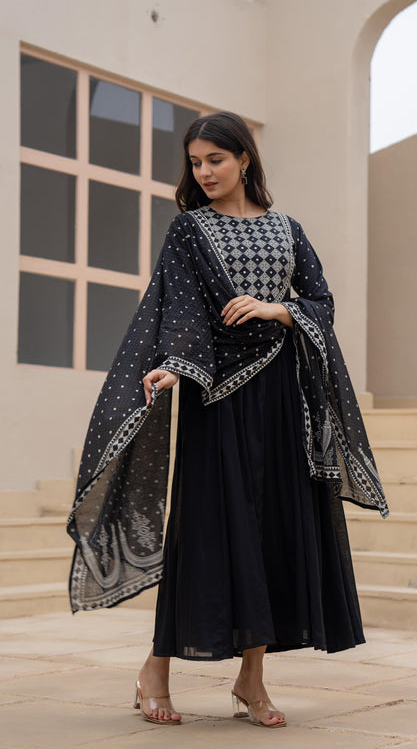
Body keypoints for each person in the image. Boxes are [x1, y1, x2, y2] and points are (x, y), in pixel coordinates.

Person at [67, 111, 389, 730]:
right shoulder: (189, 230)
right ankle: (155, 669)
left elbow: (320, 303)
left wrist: (276, 309)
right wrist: (174, 367)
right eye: (195, 163)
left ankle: (251, 680)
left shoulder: (288, 230)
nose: (204, 172)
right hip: (215, 399)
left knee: (268, 530)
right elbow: (181, 308)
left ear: (244, 158)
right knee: (205, 532)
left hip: (283, 399)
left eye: (215, 159)